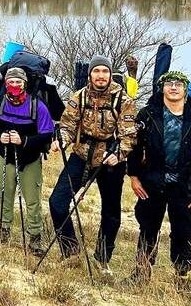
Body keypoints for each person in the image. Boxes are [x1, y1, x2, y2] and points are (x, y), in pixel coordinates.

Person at [128, 70, 191, 283]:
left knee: (183, 231)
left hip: (186, 184)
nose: (174, 87)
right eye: (169, 83)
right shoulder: (147, 115)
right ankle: (141, 273)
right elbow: (134, 147)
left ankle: (182, 276)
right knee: (148, 228)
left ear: (185, 89)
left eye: (178, 84)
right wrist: (133, 176)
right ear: (162, 88)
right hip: (152, 182)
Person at [50, 55, 137, 271]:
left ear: (110, 74)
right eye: (96, 71)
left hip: (110, 159)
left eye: (104, 72)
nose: (101, 76)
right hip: (81, 155)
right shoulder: (79, 97)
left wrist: (120, 153)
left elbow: (129, 134)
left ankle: (102, 258)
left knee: (110, 212)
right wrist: (61, 140)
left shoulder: (123, 100)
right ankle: (71, 251)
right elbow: (68, 124)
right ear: (90, 74)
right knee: (57, 203)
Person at [0, 67, 54, 253]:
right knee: (4, 195)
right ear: (6, 84)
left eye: (18, 82)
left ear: (25, 84)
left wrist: (24, 141)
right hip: (4, 156)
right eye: (11, 82)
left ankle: (35, 239)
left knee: (32, 200)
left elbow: (46, 135)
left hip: (29, 159)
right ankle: (3, 232)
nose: (14, 85)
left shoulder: (37, 106)